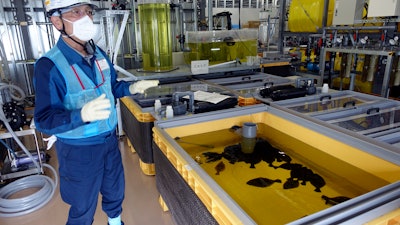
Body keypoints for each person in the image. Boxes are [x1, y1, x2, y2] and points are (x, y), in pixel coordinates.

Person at [33, 1, 159, 225]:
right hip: (79, 151)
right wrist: (80, 115)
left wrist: (131, 88)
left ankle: (115, 222)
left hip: (109, 141)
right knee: (83, 203)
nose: (87, 18)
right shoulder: (50, 65)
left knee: (114, 190)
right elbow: (44, 120)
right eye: (76, 12)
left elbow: (110, 87)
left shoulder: (99, 54)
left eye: (89, 12)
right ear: (56, 21)